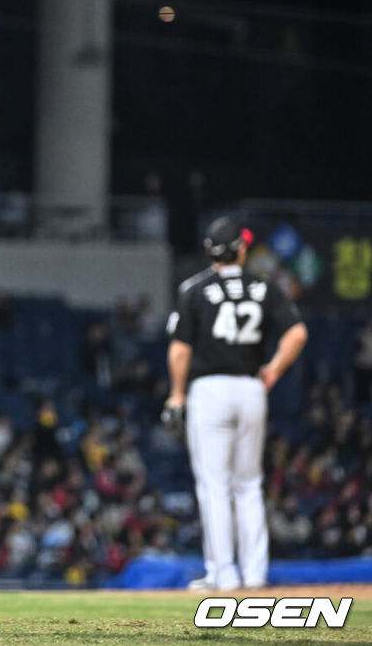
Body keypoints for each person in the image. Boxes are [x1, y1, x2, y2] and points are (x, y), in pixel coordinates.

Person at [163, 216, 308, 591]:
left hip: (209, 390)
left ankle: (223, 575)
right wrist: (273, 369)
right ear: (241, 249)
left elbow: (180, 350)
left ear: (209, 251)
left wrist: (177, 395)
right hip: (250, 388)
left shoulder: (194, 289)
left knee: (215, 486)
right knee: (248, 485)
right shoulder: (263, 287)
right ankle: (255, 574)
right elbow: (296, 333)